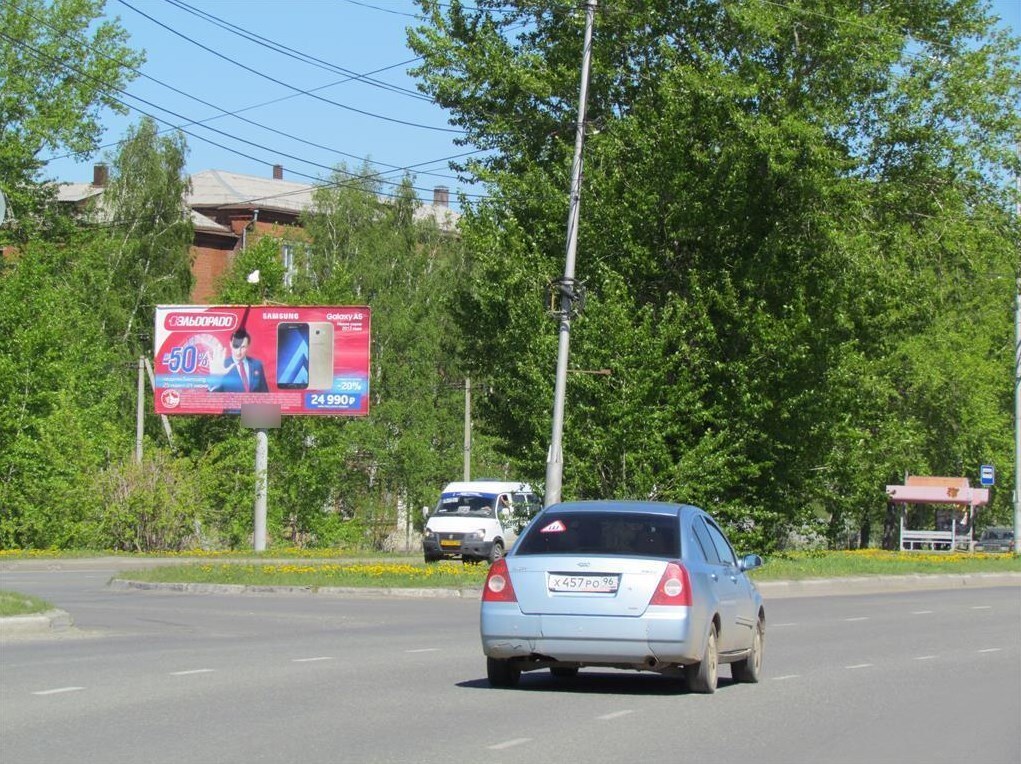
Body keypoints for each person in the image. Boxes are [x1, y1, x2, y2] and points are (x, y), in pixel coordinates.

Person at [209, 328, 268, 392]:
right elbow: (213, 398)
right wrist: (215, 380)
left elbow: (265, 393)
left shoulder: (257, 365)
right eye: (236, 346)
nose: (238, 352)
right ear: (230, 344)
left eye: (243, 347)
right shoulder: (222, 366)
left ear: (248, 346)